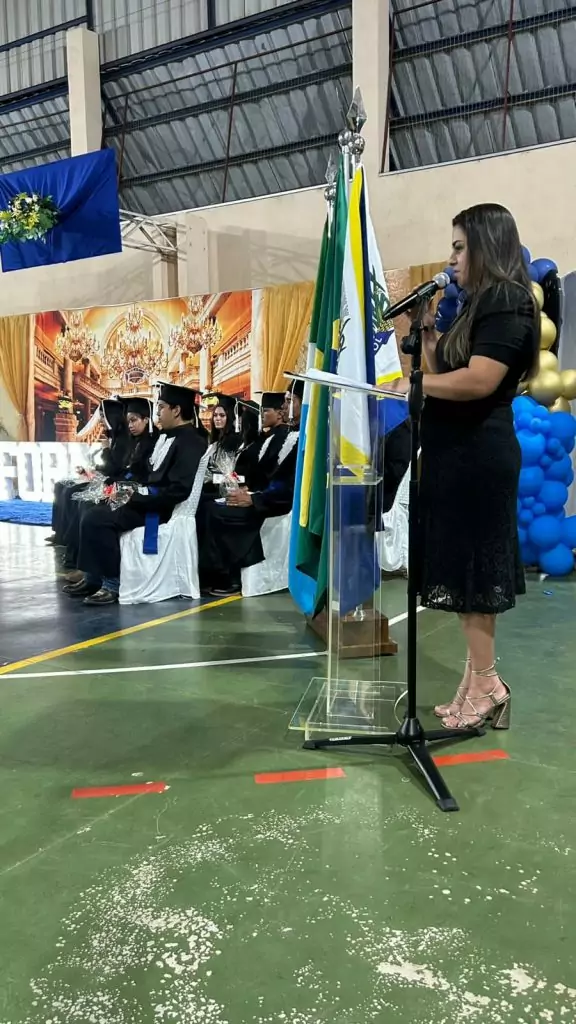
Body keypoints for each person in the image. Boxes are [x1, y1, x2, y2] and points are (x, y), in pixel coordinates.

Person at [389, 203, 539, 731]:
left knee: (475, 574)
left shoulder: (507, 300)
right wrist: (426, 330)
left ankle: (488, 683)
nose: (451, 258)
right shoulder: (476, 304)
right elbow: (445, 372)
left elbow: (478, 381)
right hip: (455, 453)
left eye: (458, 246)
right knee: (463, 573)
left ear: (485, 244)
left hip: (479, 456)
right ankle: (476, 682)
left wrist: (414, 384)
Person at [67, 383, 207, 606]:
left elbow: (178, 490)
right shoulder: (167, 436)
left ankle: (111, 584)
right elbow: (147, 475)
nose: (157, 413)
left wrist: (135, 497)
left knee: (97, 518)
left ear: (176, 410)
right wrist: (125, 489)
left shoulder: (191, 442)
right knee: (93, 507)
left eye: (161, 407)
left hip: (159, 508)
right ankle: (93, 577)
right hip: (146, 498)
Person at [199, 392, 298, 596]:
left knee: (218, 512)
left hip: (275, 502)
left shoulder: (291, 437)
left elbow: (283, 482)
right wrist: (247, 490)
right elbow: (265, 476)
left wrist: (253, 497)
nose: (284, 407)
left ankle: (231, 575)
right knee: (210, 507)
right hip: (264, 495)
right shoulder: (271, 437)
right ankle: (214, 574)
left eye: (289, 402)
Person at [61, 397, 160, 582]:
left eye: (134, 420)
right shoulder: (135, 440)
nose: (130, 425)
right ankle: (86, 569)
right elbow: (124, 470)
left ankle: (102, 578)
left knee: (92, 511)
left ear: (146, 419)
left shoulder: (154, 442)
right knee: (83, 502)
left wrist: (117, 482)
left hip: (142, 497)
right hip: (126, 489)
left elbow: (135, 474)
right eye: (128, 420)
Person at [48, 399, 131, 548]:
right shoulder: (112, 436)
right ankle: (59, 532)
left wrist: (106, 450)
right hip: (102, 476)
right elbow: (107, 466)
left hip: (110, 481)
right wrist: (91, 470)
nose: (101, 421)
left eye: (103, 416)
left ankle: (68, 538)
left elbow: (114, 468)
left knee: (70, 492)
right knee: (60, 486)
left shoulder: (124, 439)